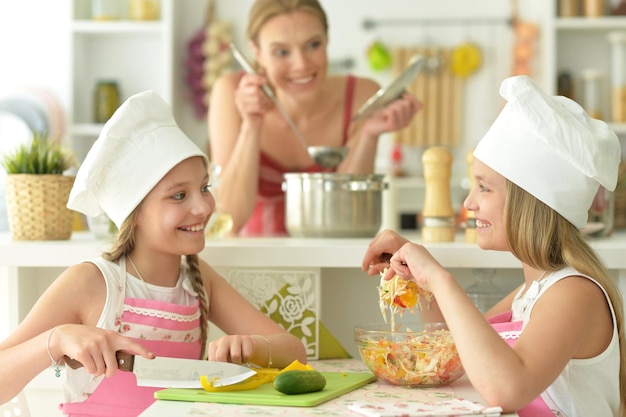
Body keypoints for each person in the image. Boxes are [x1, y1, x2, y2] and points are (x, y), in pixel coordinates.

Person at [0, 91, 306, 416]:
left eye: (204, 188)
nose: (203, 207)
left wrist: (256, 348)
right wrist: (56, 339)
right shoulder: (90, 283)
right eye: (178, 196)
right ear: (135, 213)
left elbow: (294, 349)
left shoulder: (198, 279)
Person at [362, 75, 625, 416]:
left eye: (484, 188)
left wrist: (439, 278)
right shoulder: (532, 291)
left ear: (530, 201)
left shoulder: (574, 294)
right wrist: (417, 276)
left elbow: (507, 389)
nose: (469, 203)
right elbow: (460, 347)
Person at [208, 0, 421, 236]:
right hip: (252, 265)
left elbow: (346, 214)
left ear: (327, 40)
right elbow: (228, 219)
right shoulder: (230, 93)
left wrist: (368, 135)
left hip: (332, 260)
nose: (301, 64)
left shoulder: (361, 95)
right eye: (281, 52)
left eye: (313, 45)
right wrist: (251, 125)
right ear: (257, 53)